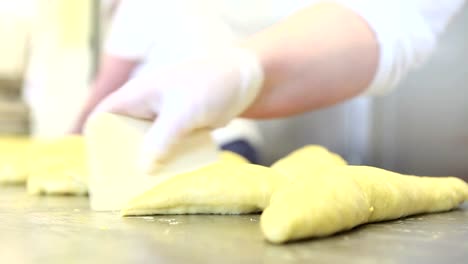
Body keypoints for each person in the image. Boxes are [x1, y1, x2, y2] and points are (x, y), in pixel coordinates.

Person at [91, 0, 465, 170]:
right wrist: (245, 71)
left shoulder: (135, 9)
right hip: (233, 135)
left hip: (199, 139)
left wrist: (244, 71)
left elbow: (106, 88)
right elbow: (389, 16)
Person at [72, 0, 263, 163]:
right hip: (238, 141)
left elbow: (106, 89)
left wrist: (72, 138)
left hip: (200, 148)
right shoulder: (197, 8)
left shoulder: (137, 6)